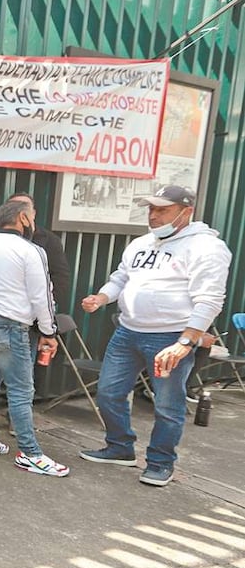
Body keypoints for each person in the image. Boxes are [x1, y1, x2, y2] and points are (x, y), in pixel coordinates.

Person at [78, 185, 231, 486]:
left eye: (162, 210)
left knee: (167, 405)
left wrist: (186, 342)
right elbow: (121, 278)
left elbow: (210, 299)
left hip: (170, 337)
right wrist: (102, 298)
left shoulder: (206, 247)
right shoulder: (141, 243)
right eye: (151, 209)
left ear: (186, 211)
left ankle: (161, 463)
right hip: (127, 332)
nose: (153, 215)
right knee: (108, 392)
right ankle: (120, 447)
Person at [0, 200, 69, 476]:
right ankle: (30, 453)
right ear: (23, 218)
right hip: (11, 324)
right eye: (32, 217)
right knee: (21, 390)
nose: (34, 222)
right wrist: (49, 332)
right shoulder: (31, 251)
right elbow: (42, 297)